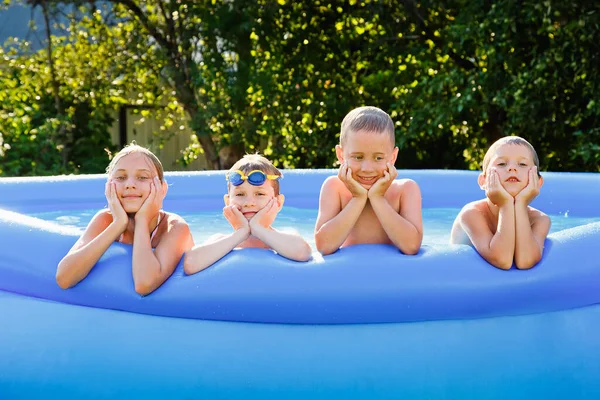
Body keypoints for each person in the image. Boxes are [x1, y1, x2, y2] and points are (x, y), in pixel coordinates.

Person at [56, 143, 194, 295]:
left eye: (142, 177)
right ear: (108, 187)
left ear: (162, 189)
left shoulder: (174, 227)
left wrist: (142, 220)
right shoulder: (105, 220)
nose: (130, 185)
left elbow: (144, 285)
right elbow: (64, 278)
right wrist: (118, 224)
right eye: (121, 177)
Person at [314, 106, 423, 256]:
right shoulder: (334, 188)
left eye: (378, 158)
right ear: (340, 155)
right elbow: (324, 246)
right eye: (358, 157)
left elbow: (411, 246)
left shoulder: (405, 190)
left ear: (392, 157)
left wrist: (377, 198)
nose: (367, 168)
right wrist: (358, 198)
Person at [184, 154, 312, 274]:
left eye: (260, 194)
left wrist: (259, 229)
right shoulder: (220, 240)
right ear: (227, 202)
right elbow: (190, 264)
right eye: (240, 194)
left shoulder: (286, 237)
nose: (249, 203)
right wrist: (240, 233)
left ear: (278, 202)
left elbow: (303, 253)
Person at [450, 136, 551, 270]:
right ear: (483, 181)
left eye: (522, 164)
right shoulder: (472, 214)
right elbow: (502, 260)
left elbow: (526, 261)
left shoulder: (540, 220)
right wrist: (505, 204)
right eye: (502, 164)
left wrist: (520, 204)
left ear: (538, 182)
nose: (512, 168)